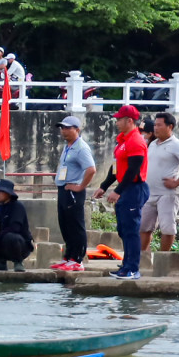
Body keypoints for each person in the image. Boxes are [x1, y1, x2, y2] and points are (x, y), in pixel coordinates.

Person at [100, 106, 149, 279]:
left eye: (120, 119)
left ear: (129, 120)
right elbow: (116, 168)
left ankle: (133, 268)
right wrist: (104, 186)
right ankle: (126, 265)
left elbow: (133, 170)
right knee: (123, 229)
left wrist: (117, 191)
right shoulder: (123, 140)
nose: (117, 122)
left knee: (131, 229)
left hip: (134, 188)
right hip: (126, 187)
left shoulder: (135, 140)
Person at [53, 116, 96, 272]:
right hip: (63, 188)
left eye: (67, 128)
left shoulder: (81, 148)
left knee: (75, 225)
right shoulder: (68, 146)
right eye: (62, 128)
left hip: (73, 191)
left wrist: (80, 186)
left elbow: (91, 169)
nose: (64, 131)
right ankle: (68, 257)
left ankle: (77, 259)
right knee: (64, 224)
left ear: (77, 129)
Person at [142, 114, 179, 255]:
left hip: (168, 194)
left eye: (159, 125)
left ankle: (163, 258)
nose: (156, 128)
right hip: (149, 192)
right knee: (144, 227)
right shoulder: (152, 144)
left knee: (167, 228)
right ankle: (141, 258)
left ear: (170, 127)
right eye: (155, 125)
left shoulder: (178, 145)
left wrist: (178, 181)